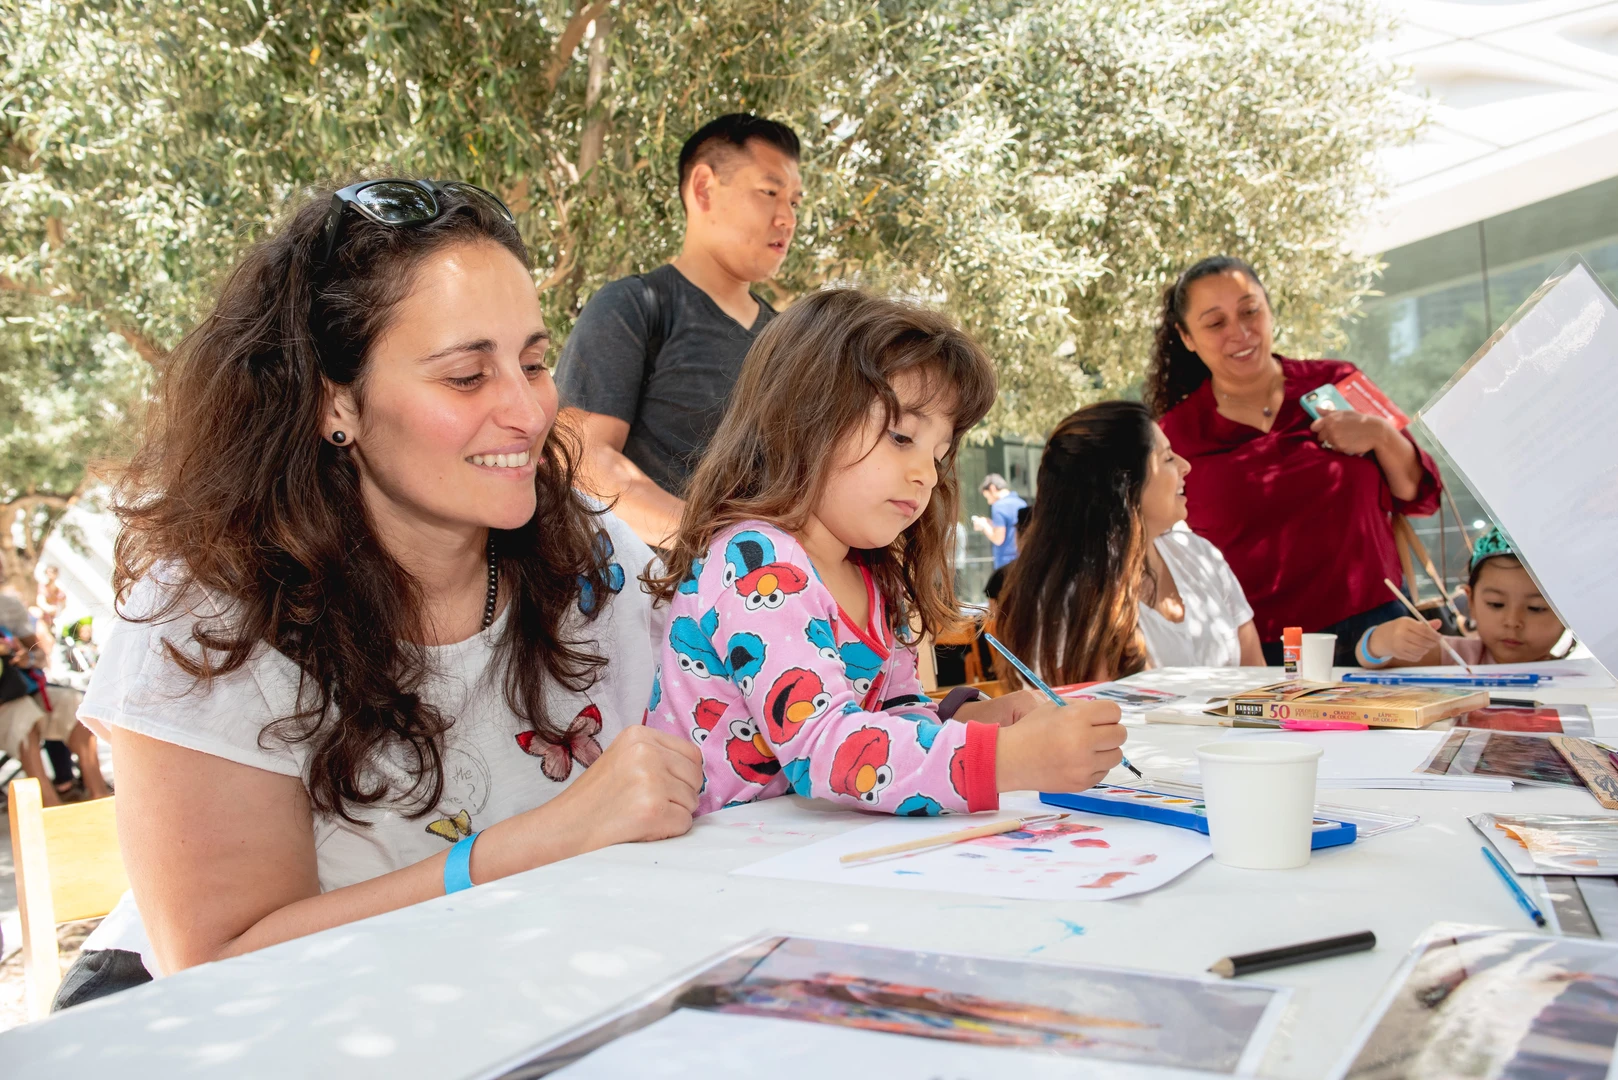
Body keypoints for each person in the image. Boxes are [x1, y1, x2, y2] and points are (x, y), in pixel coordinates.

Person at [63, 178, 704, 1009]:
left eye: (535, 362)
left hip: (484, 998)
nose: (529, 409)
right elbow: (218, 964)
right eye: (469, 376)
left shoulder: (589, 551)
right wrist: (538, 843)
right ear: (337, 402)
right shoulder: (210, 612)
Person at [644, 288, 1126, 817]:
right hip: (714, 862)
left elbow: (892, 716)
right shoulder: (755, 561)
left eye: (939, 456)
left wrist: (971, 723)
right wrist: (1005, 760)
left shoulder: (876, 578)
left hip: (800, 849)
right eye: (902, 437)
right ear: (805, 416)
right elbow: (825, 750)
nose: (925, 473)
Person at [1149, 256, 1442, 665]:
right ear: (1187, 337)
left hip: (1384, 634)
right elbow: (1153, 533)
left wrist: (1380, 434)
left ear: (1270, 310)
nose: (1240, 332)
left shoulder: (1336, 381)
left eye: (1251, 311)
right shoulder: (1174, 434)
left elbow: (1420, 495)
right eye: (1216, 323)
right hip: (1266, 654)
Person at [556, 113, 803, 548]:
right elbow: (582, 461)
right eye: (769, 192)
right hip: (645, 603)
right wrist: (716, 544)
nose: (787, 218)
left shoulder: (792, 344)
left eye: (796, 202)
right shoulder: (634, 308)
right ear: (704, 188)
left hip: (761, 604)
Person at [996, 403, 1263, 685]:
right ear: (1124, 484)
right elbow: (1093, 717)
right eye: (1168, 458)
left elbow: (1258, 679)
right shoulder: (1071, 600)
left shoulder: (1200, 557)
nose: (1186, 466)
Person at [1356, 526, 1570, 667]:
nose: (1513, 622)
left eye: (1535, 607)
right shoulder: (1456, 656)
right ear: (1471, 601)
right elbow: (1373, 659)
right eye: (1496, 604)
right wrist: (1385, 640)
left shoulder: (1592, 675)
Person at [0, 589, 105, 806]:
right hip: (8, 706)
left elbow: (38, 650)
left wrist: (25, 656)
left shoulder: (7, 605)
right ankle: (50, 808)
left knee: (74, 704)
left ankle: (99, 796)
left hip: (23, 688)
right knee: (23, 718)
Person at [970, 474, 1027, 569]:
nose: (989, 502)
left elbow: (998, 539)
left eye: (987, 497)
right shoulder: (1022, 503)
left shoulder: (999, 506)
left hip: (1005, 563)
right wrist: (991, 524)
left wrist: (984, 526)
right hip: (1022, 560)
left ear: (992, 489)